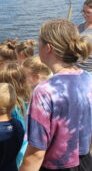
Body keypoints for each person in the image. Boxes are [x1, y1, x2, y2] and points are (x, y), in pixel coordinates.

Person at [20, 19, 92, 171]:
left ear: (48, 48)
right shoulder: (88, 78)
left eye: (39, 42)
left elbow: (36, 153)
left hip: (56, 166)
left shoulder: (44, 91)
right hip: (85, 162)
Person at [0, 63, 31, 168]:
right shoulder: (27, 96)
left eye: (0, 81)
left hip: (16, 145)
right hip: (26, 142)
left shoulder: (11, 105)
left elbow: (10, 129)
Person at [77, 0, 92, 74]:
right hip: (75, 68)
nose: (84, 15)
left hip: (89, 71)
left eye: (88, 12)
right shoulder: (80, 27)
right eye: (83, 11)